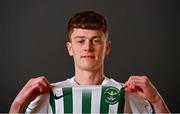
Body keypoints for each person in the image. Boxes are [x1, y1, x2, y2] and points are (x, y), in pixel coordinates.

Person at [10, 10, 170, 113]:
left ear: (107, 47)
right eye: (80, 41)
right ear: (69, 48)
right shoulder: (48, 95)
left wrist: (156, 99)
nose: (88, 47)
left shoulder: (127, 94)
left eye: (95, 41)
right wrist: (17, 104)